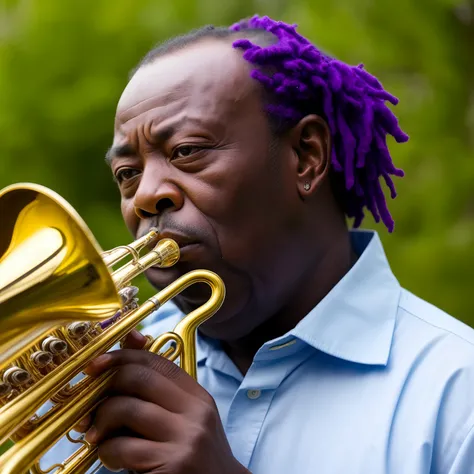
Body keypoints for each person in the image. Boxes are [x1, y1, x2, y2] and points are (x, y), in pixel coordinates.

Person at [43, 15, 474, 474]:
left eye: (187, 150)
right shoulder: (87, 380)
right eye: (127, 174)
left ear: (306, 157)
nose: (146, 195)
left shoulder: (456, 391)